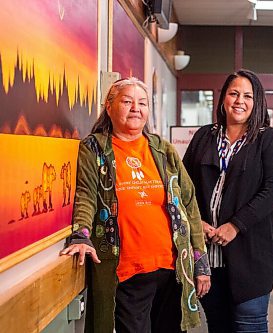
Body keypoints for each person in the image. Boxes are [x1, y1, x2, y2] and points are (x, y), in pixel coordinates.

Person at [60, 77, 210, 333]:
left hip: (171, 268)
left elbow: (189, 205)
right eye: (127, 101)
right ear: (109, 106)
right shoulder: (95, 148)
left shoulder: (163, 150)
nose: (135, 108)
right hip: (127, 269)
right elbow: (85, 194)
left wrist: (200, 260)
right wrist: (81, 234)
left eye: (142, 103)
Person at [182, 69, 273, 333]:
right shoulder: (204, 136)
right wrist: (199, 223)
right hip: (209, 254)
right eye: (234, 93)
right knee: (218, 326)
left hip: (251, 255)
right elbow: (184, 187)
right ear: (223, 99)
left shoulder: (267, 139)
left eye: (248, 96)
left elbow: (272, 190)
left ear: (257, 102)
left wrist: (236, 225)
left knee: (249, 324)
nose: (240, 101)